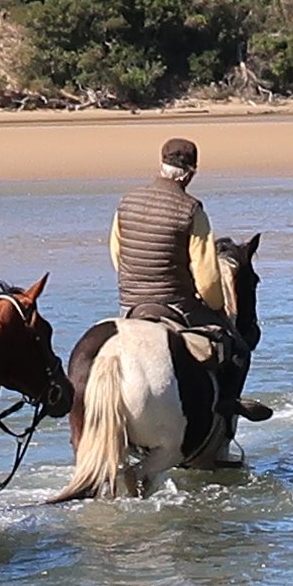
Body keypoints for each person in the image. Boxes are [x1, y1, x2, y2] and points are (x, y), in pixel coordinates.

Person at [110, 133, 251, 429]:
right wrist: (216, 307)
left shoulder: (127, 201)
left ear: (161, 165)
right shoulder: (191, 210)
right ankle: (226, 407)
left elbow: (116, 252)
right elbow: (206, 275)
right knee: (238, 349)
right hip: (175, 304)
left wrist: (136, 282)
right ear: (191, 173)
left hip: (130, 303)